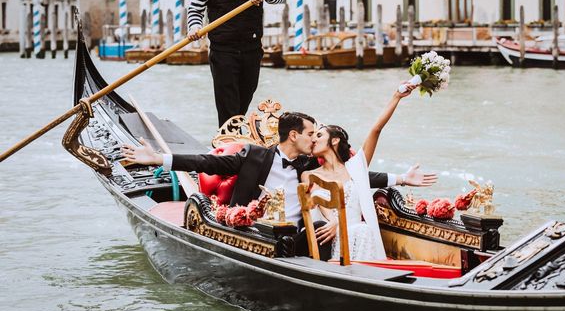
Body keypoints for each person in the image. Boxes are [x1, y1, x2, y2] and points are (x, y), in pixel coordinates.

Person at [120, 111, 437, 257]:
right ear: (294, 135)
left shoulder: (307, 162)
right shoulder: (253, 157)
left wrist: (399, 179)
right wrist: (159, 159)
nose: (314, 139)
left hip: (296, 238)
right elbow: (207, 163)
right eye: (311, 133)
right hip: (252, 236)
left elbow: (347, 175)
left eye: (317, 135)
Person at [302, 84, 422, 261]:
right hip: (329, 235)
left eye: (319, 136)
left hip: (358, 237)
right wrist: (335, 222)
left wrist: (396, 96)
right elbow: (317, 205)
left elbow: (376, 130)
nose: (313, 140)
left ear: (334, 140)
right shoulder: (309, 175)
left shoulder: (356, 166)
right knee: (359, 230)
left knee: (362, 229)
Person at [186, 0, 284, 127]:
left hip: (251, 48)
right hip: (223, 50)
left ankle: (231, 143)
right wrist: (194, 27)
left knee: (242, 103)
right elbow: (195, 9)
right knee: (228, 106)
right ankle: (226, 147)